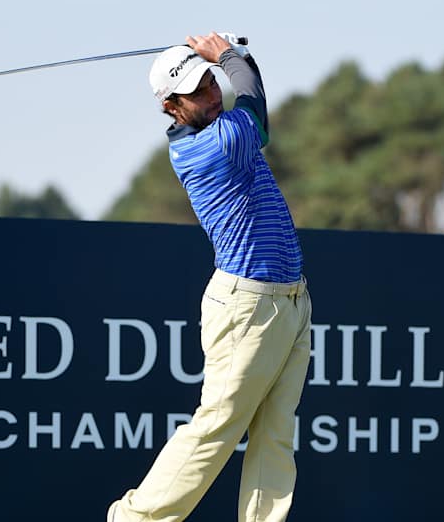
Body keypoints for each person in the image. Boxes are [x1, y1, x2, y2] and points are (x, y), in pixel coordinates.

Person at [107, 32, 312, 522]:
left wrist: (233, 57)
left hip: (290, 300)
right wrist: (224, 54)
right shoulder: (212, 148)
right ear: (172, 105)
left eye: (211, 82)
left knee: (276, 434)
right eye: (198, 90)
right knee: (217, 425)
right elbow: (257, 109)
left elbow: (247, 88)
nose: (213, 92)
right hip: (248, 305)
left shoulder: (220, 126)